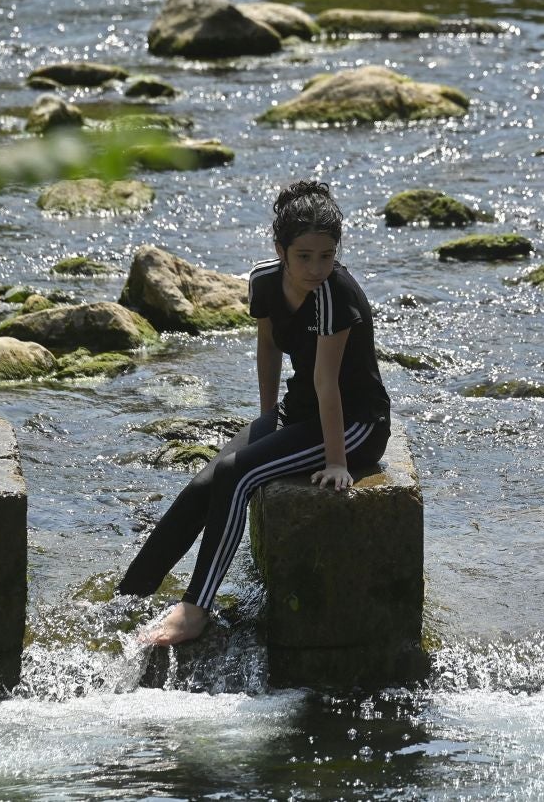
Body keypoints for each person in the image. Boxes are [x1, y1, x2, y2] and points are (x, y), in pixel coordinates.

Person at [117, 180, 392, 645]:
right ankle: (129, 595)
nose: (316, 268)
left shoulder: (334, 295)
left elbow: (329, 383)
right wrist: (267, 417)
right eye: (304, 256)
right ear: (279, 250)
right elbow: (268, 347)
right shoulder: (265, 280)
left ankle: (196, 608)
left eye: (326, 255)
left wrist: (337, 462)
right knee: (205, 482)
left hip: (354, 425)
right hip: (299, 410)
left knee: (236, 475)